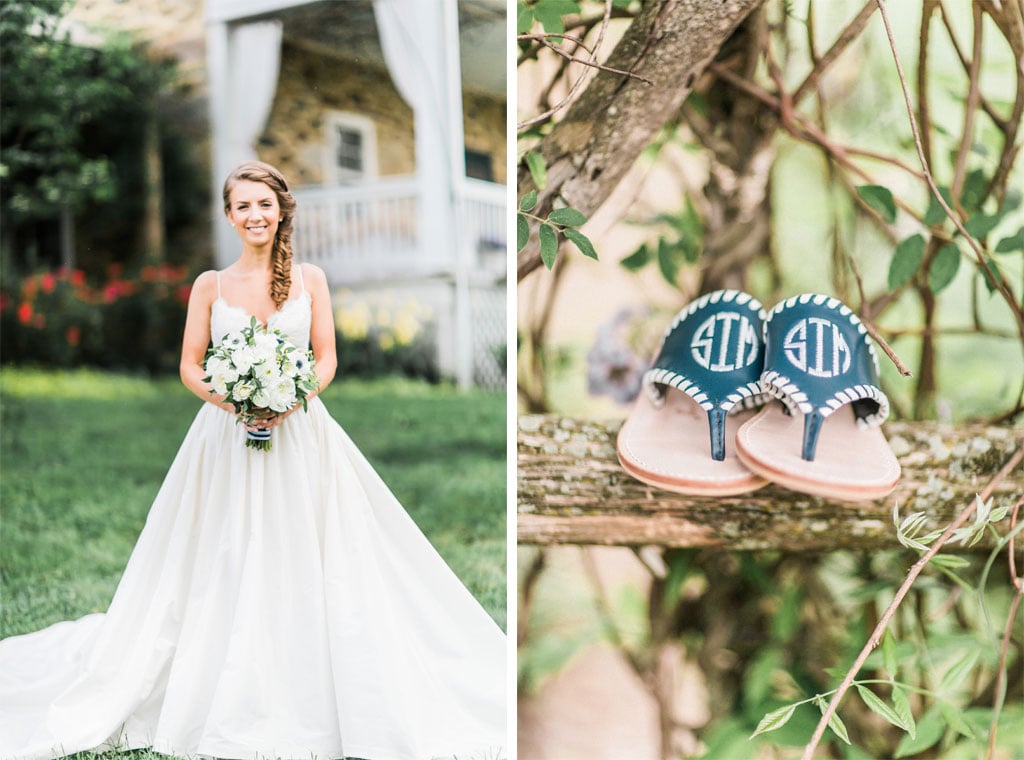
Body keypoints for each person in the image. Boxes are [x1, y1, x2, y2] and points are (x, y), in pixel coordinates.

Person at [0, 161, 506, 760]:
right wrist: (234, 400)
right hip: (224, 439)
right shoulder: (210, 285)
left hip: (301, 436)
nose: (254, 216)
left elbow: (326, 358)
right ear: (230, 216)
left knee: (310, 547)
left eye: (263, 204)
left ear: (282, 210)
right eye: (242, 207)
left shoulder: (311, 279)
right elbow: (190, 365)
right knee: (224, 547)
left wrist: (291, 397)